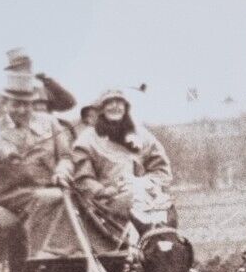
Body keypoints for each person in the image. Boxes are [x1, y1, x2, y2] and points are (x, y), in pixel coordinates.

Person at [0, 69, 80, 259]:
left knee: (77, 200)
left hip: (48, 187)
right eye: (16, 104)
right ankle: (38, 258)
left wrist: (62, 171)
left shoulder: (49, 123)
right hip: (10, 195)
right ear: (5, 103)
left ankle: (79, 256)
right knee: (48, 198)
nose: (22, 110)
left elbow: (66, 156)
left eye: (27, 104)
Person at [69, 88, 175, 244]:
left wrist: (144, 184)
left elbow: (161, 170)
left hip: (143, 199)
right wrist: (103, 191)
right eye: (109, 103)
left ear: (126, 107)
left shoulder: (142, 135)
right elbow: (83, 178)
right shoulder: (87, 140)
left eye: (119, 102)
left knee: (166, 214)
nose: (115, 106)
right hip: (104, 205)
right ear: (101, 108)